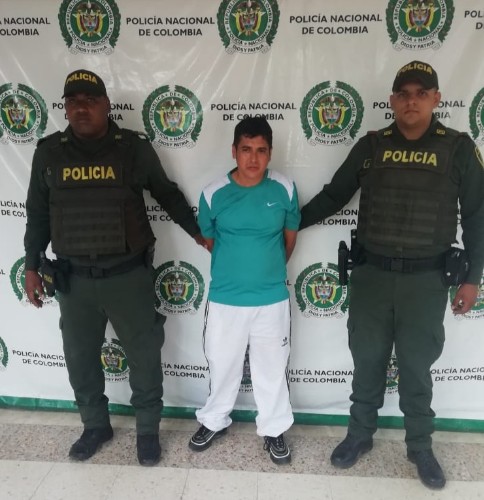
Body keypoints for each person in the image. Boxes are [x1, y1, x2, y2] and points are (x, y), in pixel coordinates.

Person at [299, 61, 484, 489]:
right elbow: (334, 196)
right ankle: (359, 435)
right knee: (367, 360)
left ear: (436, 99)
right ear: (392, 100)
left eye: (421, 93)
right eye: (404, 93)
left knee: (417, 368)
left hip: (426, 282)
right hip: (372, 278)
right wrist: (287, 225)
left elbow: (477, 216)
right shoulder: (372, 146)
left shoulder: (458, 148)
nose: (411, 101)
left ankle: (420, 446)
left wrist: (473, 277)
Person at [24, 69, 206, 466]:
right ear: (65, 107)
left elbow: (166, 194)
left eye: (90, 100)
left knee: (144, 357)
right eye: (73, 101)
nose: (81, 108)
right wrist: (31, 265)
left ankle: (147, 431)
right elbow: (37, 214)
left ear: (107, 105)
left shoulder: (132, 149)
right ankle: (95, 426)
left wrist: (198, 233)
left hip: (128, 277)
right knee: (80, 360)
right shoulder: (49, 153)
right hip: (73, 281)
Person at [188, 116, 300, 464]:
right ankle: (214, 420)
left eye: (261, 150)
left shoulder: (285, 189)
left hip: (271, 300)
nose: (253, 158)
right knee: (222, 364)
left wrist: (266, 271)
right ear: (234, 151)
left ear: (270, 153)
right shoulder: (213, 193)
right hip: (226, 300)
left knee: (272, 368)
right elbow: (210, 241)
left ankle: (274, 428)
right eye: (246, 149)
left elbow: (289, 240)